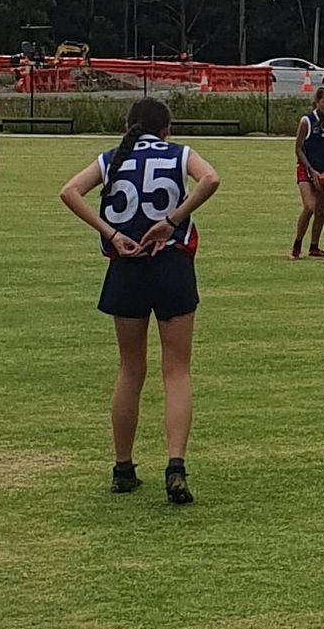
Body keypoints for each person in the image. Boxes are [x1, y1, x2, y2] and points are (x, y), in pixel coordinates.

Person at [57, 96, 220, 504]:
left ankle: (123, 468)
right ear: (166, 129)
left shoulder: (113, 157)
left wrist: (111, 233)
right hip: (171, 265)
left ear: (129, 125)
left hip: (126, 265)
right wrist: (171, 221)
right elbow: (211, 179)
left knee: (130, 369)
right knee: (176, 370)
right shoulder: (178, 153)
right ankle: (175, 466)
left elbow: (69, 191)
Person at [293, 85, 324, 258]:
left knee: (320, 210)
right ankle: (296, 246)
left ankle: (314, 247)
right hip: (306, 168)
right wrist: (311, 171)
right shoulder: (306, 121)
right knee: (309, 207)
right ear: (317, 102)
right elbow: (298, 149)